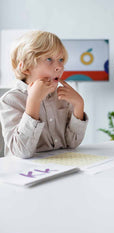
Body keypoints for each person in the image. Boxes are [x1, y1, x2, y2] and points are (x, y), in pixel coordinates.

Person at [0, 30, 88, 158]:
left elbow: (72, 143)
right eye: (49, 59)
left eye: (61, 59)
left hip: (60, 166)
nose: (59, 67)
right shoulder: (10, 100)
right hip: (25, 173)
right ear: (26, 68)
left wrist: (79, 105)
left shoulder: (63, 96)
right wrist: (33, 101)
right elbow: (21, 151)